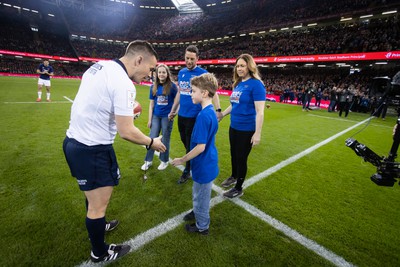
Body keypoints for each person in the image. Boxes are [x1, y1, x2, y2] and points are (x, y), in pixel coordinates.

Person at [63, 40, 166, 263]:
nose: (150, 76)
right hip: (92, 149)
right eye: (150, 69)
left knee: (92, 196)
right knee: (98, 206)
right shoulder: (123, 83)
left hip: (74, 142)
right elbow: (126, 131)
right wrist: (151, 142)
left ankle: (100, 223)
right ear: (139, 60)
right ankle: (99, 252)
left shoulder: (99, 66)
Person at [171, 73, 219, 235]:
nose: (191, 94)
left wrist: (182, 159)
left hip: (204, 165)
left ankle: (202, 226)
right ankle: (197, 212)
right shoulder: (210, 112)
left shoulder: (204, 116)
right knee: (198, 195)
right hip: (206, 163)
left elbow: (200, 147)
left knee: (202, 198)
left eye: (193, 91)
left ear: (204, 93)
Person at [169, 45, 222, 184]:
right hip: (182, 115)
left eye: (192, 59)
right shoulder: (181, 73)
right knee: (185, 141)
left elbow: (213, 92)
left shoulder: (202, 73)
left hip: (195, 116)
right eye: (187, 58)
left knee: (192, 145)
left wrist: (218, 110)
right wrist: (173, 110)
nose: (189, 61)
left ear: (197, 58)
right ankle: (191, 164)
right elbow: (180, 93)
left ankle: (187, 170)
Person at [219, 54, 266, 198]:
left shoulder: (256, 84)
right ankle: (234, 176)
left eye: (242, 66)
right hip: (234, 127)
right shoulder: (238, 84)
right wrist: (222, 115)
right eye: (237, 66)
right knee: (234, 154)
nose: (239, 68)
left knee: (241, 158)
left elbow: (260, 112)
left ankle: (238, 188)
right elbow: (234, 105)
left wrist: (257, 133)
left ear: (249, 67)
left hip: (247, 129)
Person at [141, 64, 177, 171]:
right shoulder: (153, 87)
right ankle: (148, 160)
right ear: (157, 74)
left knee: (165, 139)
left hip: (167, 117)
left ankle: (164, 161)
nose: (161, 74)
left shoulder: (172, 86)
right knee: (152, 138)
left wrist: (174, 112)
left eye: (163, 72)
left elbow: (178, 101)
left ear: (167, 74)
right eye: (159, 72)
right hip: (156, 116)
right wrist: (149, 119)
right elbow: (151, 105)